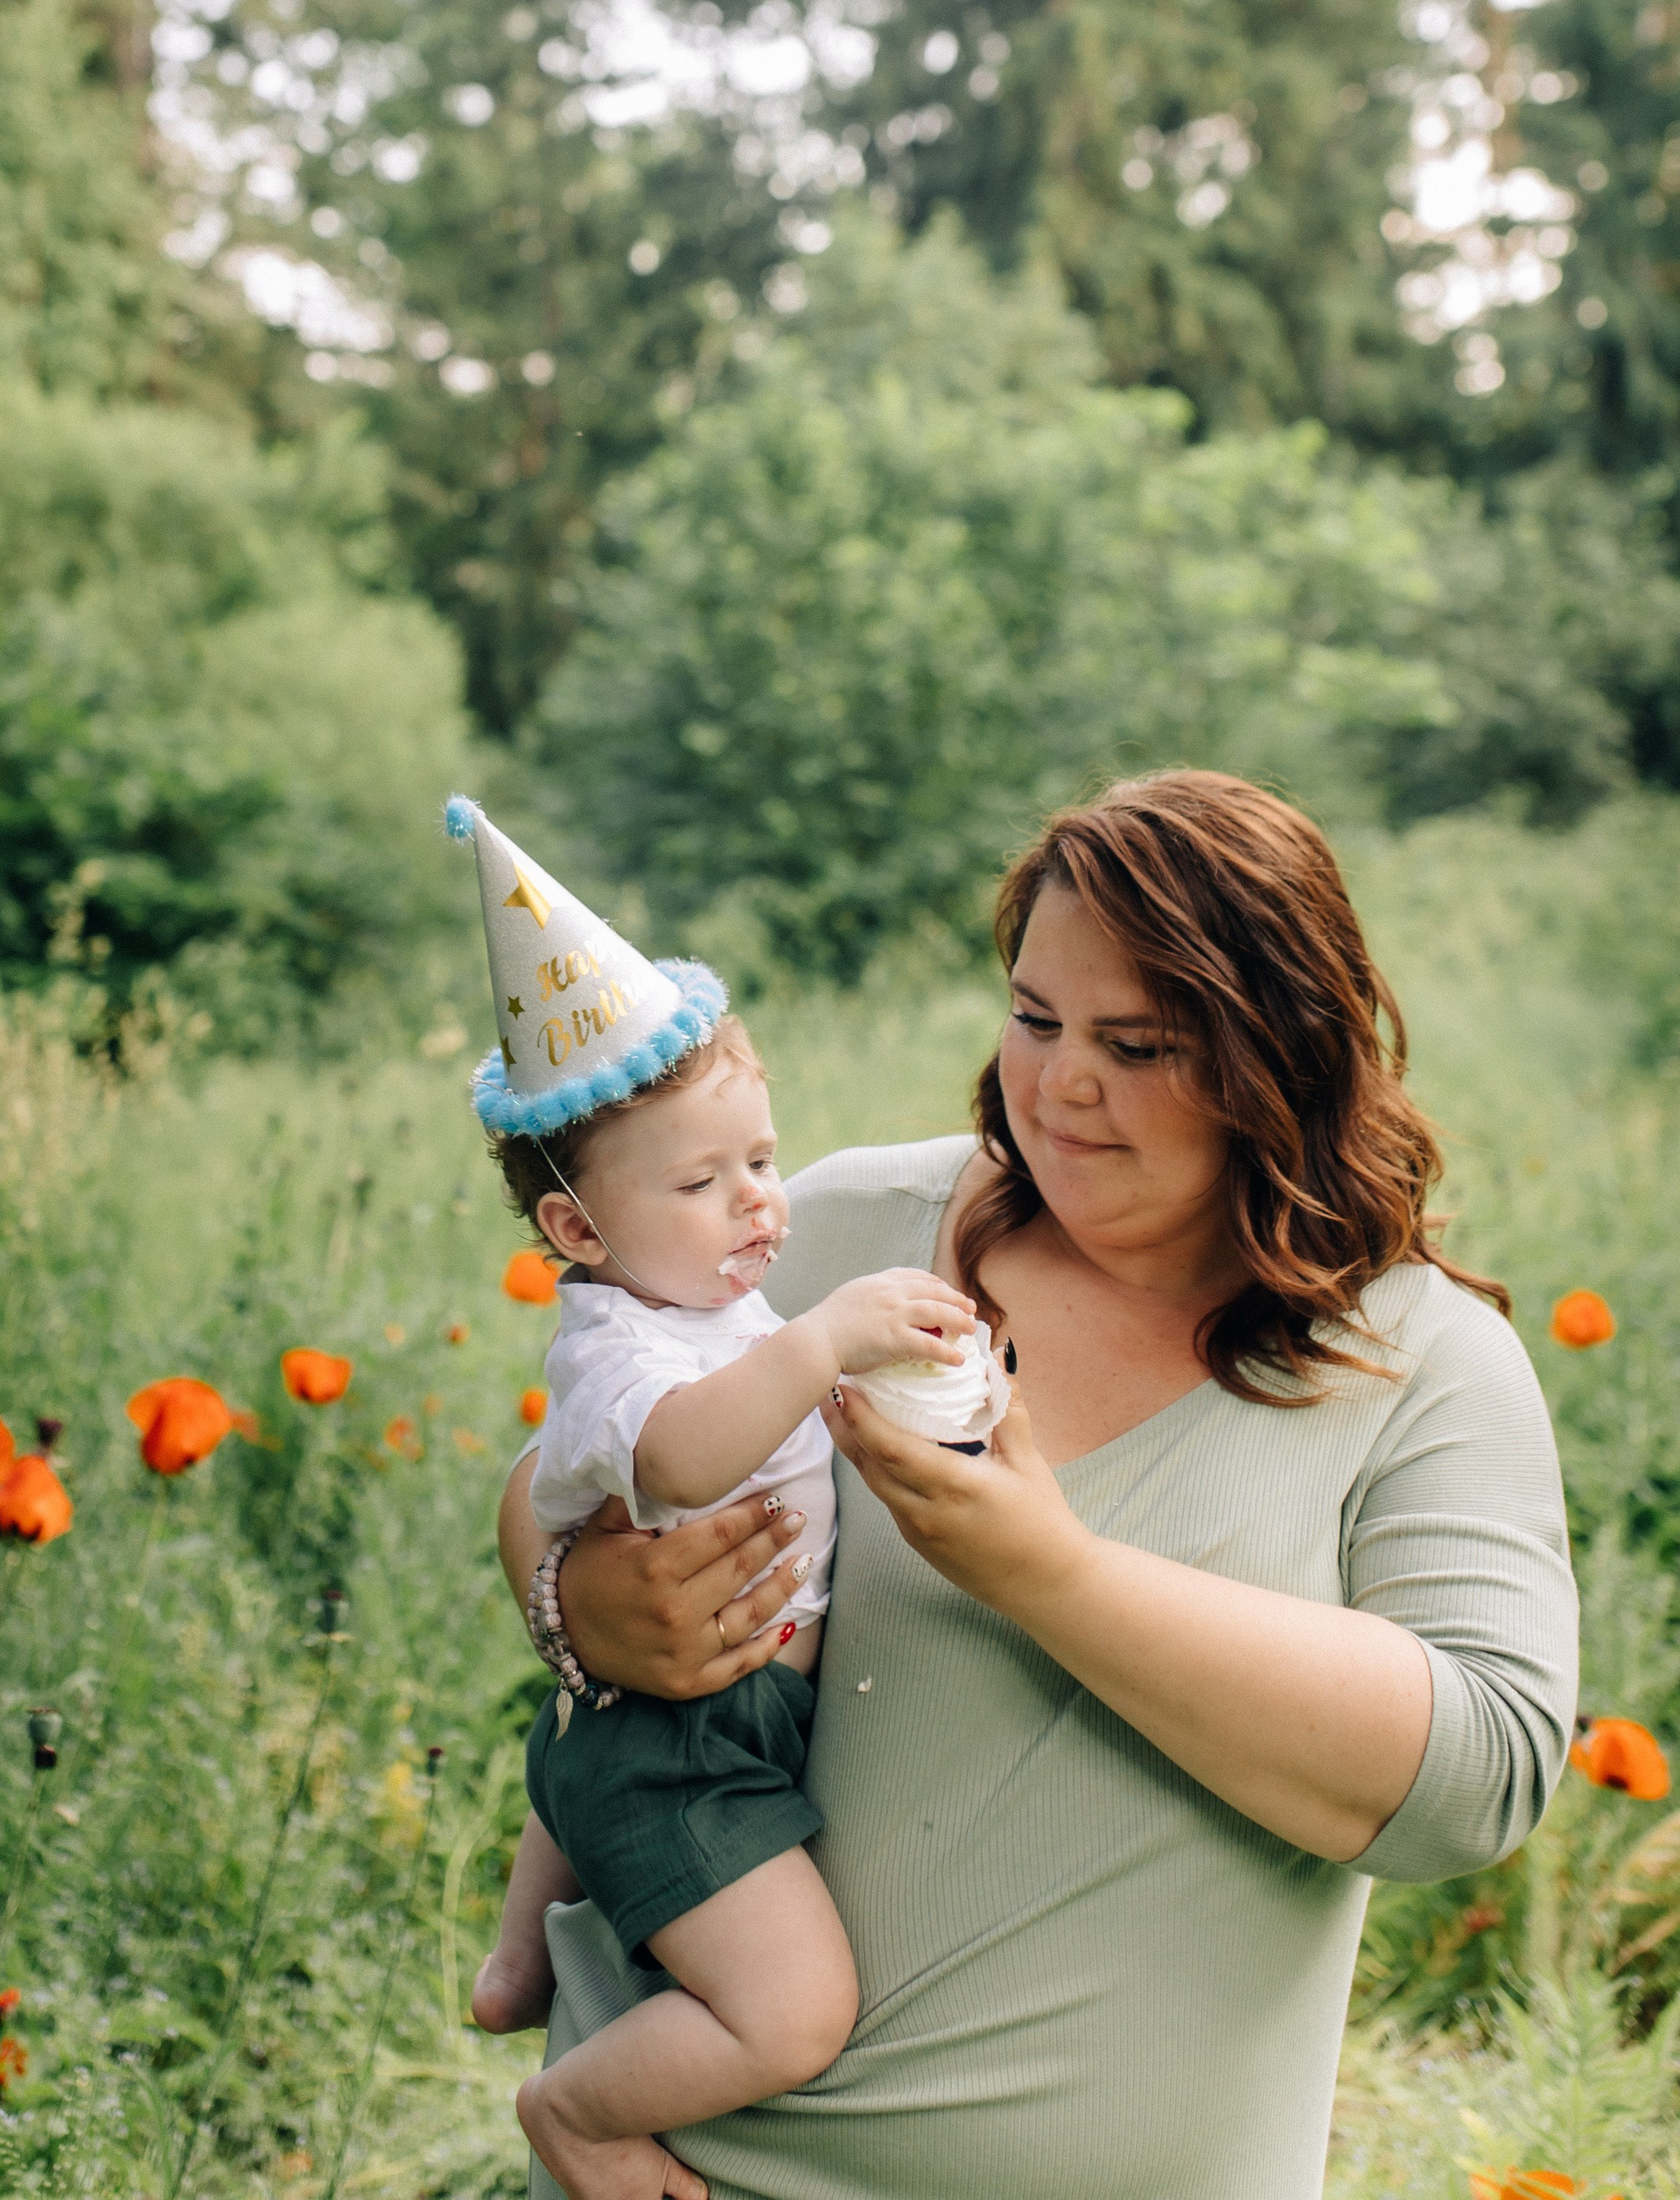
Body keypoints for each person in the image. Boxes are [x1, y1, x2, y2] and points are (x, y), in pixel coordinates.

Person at [499, 773, 1579, 2200]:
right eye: (1035, 1017)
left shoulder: (1423, 1359)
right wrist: (579, 1600)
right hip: (686, 2167)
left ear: (1285, 1056)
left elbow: (1482, 1779)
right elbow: (560, 1475)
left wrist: (1046, 1570)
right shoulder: (836, 1230)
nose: (1061, 1082)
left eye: (1135, 1042)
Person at [445, 795, 983, 2200]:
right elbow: (683, 1457)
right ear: (578, 1229)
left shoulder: (702, 1296)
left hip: (634, 1713)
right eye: (703, 1179)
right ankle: (575, 2113)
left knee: (583, 1741)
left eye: (761, 1157)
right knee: (794, 2012)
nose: (759, 1201)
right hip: (690, 1741)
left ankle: (515, 1958)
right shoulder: (621, 1347)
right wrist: (824, 1344)